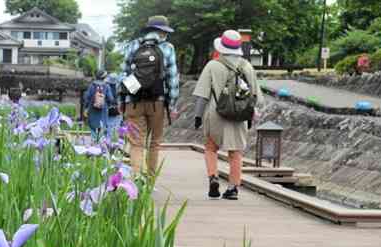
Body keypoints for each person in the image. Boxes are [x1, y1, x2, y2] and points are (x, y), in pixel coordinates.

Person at [193, 29, 262, 200]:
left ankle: (213, 178)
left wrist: (198, 116)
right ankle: (233, 188)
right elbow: (255, 96)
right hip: (239, 114)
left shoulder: (212, 65)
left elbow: (202, 95)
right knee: (236, 152)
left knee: (210, 148)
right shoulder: (247, 66)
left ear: (221, 47)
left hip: (216, 113)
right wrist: (250, 114)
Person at [120, 15, 180, 176]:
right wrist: (172, 105)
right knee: (154, 143)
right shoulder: (168, 48)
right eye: (165, 32)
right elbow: (173, 80)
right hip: (157, 102)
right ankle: (150, 183)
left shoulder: (132, 46)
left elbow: (124, 75)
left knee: (136, 144)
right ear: (161, 32)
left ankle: (136, 181)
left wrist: (122, 101)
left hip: (133, 101)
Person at [83, 70, 115, 140]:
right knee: (103, 127)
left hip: (92, 110)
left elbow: (87, 98)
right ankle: (102, 145)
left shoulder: (92, 85)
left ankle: (94, 142)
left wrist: (85, 108)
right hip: (103, 111)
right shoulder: (107, 86)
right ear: (104, 77)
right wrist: (108, 105)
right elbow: (111, 98)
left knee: (93, 128)